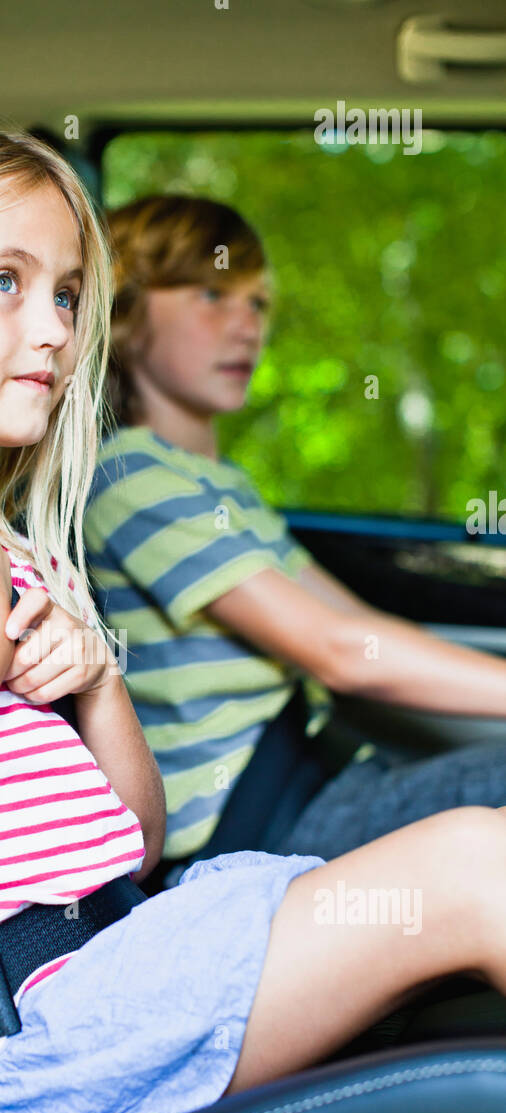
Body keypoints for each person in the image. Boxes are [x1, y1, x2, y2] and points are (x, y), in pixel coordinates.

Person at [0, 115, 506, 1113]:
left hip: (100, 970)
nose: (51, 328)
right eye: (4, 281)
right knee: (468, 863)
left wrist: (93, 683)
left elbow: (132, 845)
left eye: (64, 294)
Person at [87, 194, 506, 891]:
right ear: (127, 313)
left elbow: (357, 627)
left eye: (258, 303)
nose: (247, 325)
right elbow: (338, 654)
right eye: (213, 293)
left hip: (319, 779)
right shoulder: (129, 474)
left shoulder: (222, 485)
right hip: (256, 832)